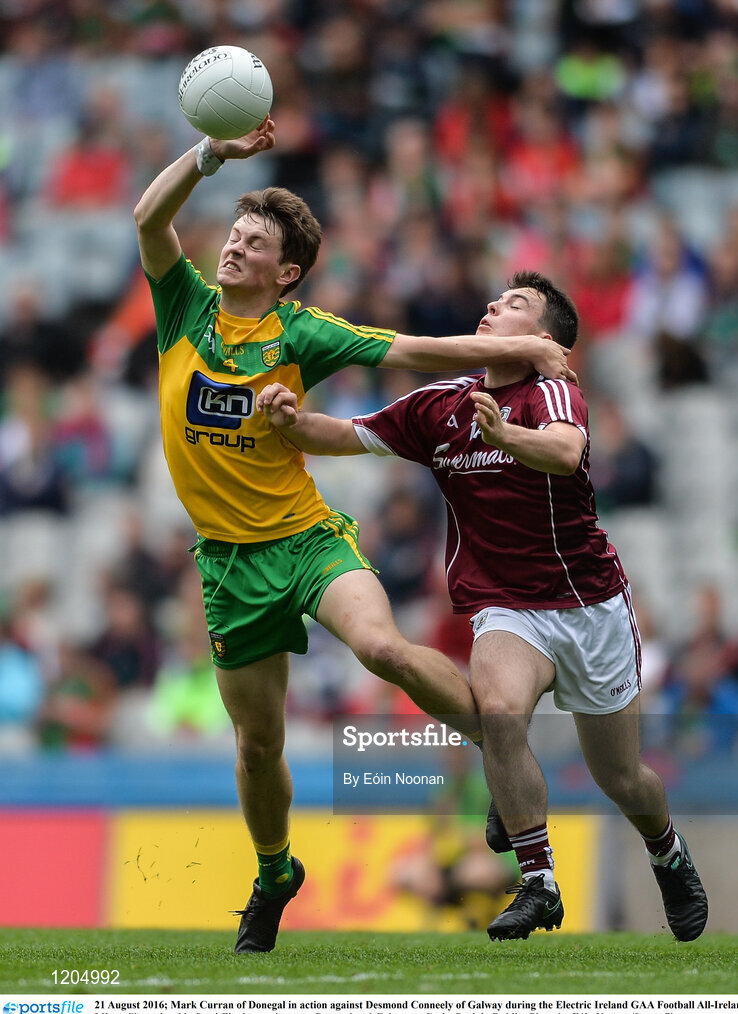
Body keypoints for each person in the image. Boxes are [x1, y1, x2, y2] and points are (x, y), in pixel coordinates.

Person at [133, 121, 577, 954]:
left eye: (252, 243)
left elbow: (414, 348)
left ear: (286, 271)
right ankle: (275, 875)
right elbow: (149, 221)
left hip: (306, 541)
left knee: (383, 648)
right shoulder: (184, 307)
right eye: (232, 235)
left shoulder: (301, 333)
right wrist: (209, 156)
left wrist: (520, 345)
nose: (231, 249)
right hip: (229, 567)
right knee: (258, 745)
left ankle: (496, 748)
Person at [257, 269, 709, 943]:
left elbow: (565, 452)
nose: (493, 305)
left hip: (589, 605)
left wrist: (506, 440)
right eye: (494, 298)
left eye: (515, 304)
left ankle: (668, 854)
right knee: (498, 714)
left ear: (545, 338)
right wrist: (290, 419)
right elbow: (343, 435)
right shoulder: (439, 405)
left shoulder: (551, 390)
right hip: (505, 607)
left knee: (621, 777)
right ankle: (539, 883)